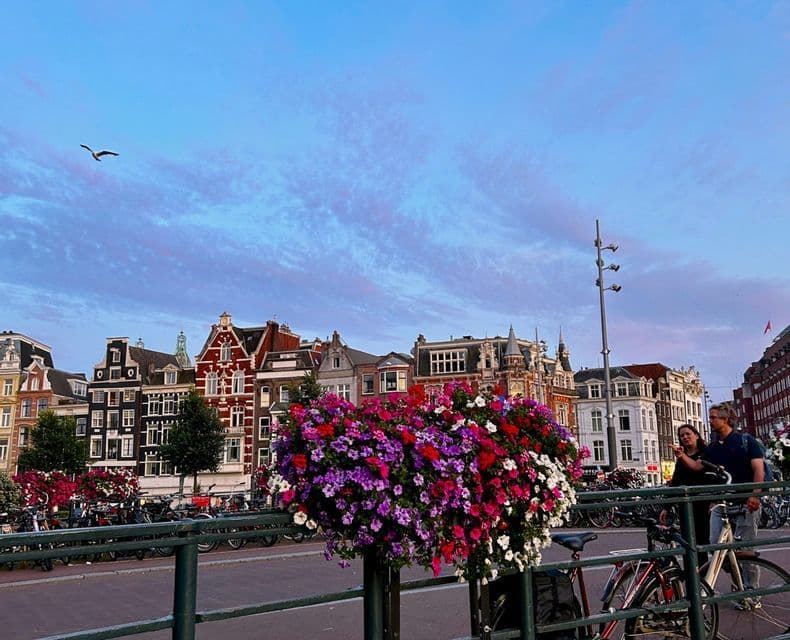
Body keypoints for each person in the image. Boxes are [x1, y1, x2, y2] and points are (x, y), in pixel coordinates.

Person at [674, 404, 764, 583]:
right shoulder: (713, 447)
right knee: (715, 547)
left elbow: (758, 470)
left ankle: (752, 592)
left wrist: (755, 495)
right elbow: (697, 466)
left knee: (747, 548)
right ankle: (738, 579)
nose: (710, 421)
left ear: (726, 419)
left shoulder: (746, 441)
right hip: (722, 503)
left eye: (714, 417)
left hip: (745, 500)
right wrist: (681, 455)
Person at [662, 423, 710, 565]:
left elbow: (697, 468)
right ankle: (694, 579)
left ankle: (702, 581)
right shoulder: (681, 459)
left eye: (688, 434)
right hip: (686, 505)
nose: (685, 437)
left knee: (703, 543)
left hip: (702, 503)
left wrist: (681, 456)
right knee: (688, 543)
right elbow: (676, 481)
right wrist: (666, 506)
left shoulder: (705, 453)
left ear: (696, 435)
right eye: (682, 435)